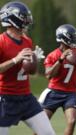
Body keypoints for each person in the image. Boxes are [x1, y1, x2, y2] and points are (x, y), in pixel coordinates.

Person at [0, 2, 56, 135]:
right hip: (5, 99)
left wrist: (34, 61)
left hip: (26, 97)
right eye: (23, 16)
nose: (26, 20)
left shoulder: (27, 41)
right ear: (13, 18)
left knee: (48, 133)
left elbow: (31, 72)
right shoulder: (1, 41)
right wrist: (15, 60)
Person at [36, 24, 76, 135]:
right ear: (63, 38)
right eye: (72, 37)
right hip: (54, 92)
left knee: (72, 121)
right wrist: (60, 60)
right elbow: (48, 75)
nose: (75, 39)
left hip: (70, 94)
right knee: (41, 125)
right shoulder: (53, 55)